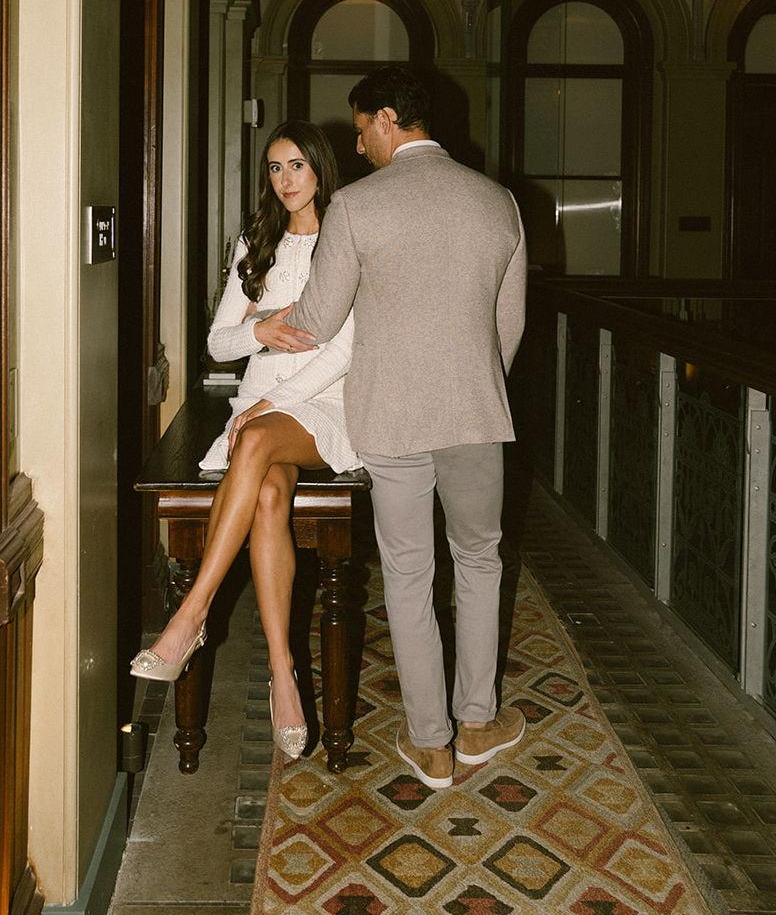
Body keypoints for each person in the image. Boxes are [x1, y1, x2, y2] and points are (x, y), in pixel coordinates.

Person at [258, 65, 528, 790]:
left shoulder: (356, 205)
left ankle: (431, 744)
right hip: (475, 413)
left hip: (390, 416)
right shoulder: (497, 201)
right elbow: (508, 327)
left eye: (359, 130)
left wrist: (254, 322)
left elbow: (318, 320)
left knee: (409, 573)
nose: (357, 145)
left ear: (385, 119)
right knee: (479, 560)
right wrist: (471, 384)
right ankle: (479, 724)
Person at [128, 120, 359, 761]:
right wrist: (263, 328)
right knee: (267, 495)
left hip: (323, 405)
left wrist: (269, 403)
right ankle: (284, 672)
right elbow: (218, 342)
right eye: (274, 168)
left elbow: (343, 350)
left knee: (254, 442)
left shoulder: (348, 238)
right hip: (260, 404)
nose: (285, 180)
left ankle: (191, 616)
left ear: (320, 168)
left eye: (296, 165)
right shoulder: (256, 242)